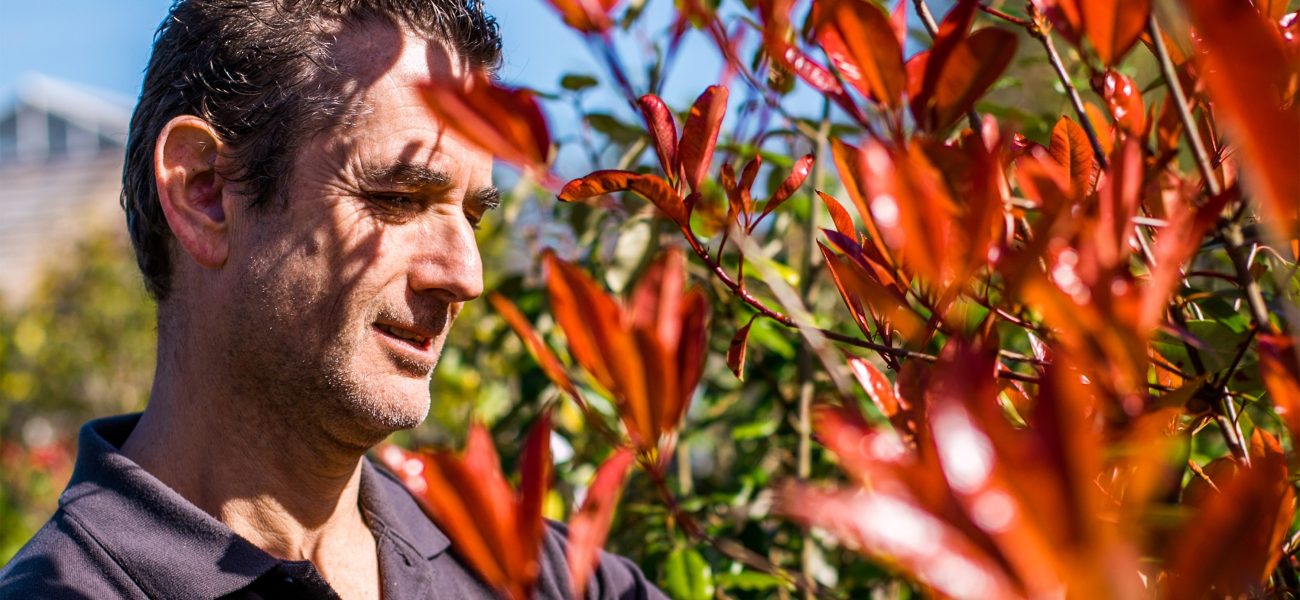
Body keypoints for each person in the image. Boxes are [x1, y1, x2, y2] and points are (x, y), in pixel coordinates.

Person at [0, 1, 664, 598]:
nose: (465, 275)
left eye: (473, 217)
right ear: (204, 192)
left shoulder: (538, 576)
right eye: (398, 199)